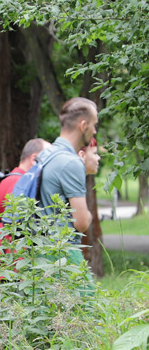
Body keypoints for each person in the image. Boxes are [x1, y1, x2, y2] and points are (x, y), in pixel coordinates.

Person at [38, 97, 99, 265]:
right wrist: (88, 215)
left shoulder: (47, 153)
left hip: (40, 252)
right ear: (83, 125)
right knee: (86, 292)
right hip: (63, 254)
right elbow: (81, 222)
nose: (94, 131)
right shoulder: (71, 162)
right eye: (93, 125)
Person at [0, 138, 50, 272]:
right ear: (34, 159)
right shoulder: (18, 183)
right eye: (47, 157)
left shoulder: (12, 179)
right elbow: (15, 228)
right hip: (4, 267)